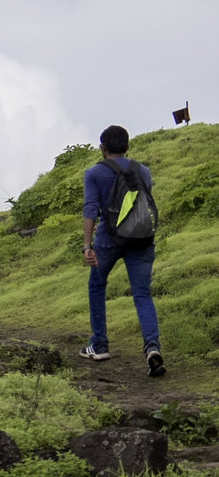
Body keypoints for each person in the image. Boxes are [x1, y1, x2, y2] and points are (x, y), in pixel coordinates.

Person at [81, 124, 163, 376]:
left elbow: (91, 209)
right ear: (128, 147)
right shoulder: (144, 171)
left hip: (109, 239)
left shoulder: (94, 173)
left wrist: (87, 245)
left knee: (97, 284)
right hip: (141, 238)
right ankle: (152, 347)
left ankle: (100, 344)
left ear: (102, 148)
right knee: (142, 294)